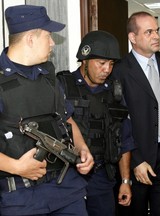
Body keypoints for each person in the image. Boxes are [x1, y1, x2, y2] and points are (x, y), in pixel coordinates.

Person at [0, 4, 94, 216]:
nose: (53, 43)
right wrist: (16, 167)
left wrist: (82, 148)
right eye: (48, 36)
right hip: (21, 200)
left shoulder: (49, 75)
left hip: (67, 191)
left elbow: (66, 119)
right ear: (30, 39)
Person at [112, 11, 160, 216]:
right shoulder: (119, 70)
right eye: (149, 32)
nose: (156, 36)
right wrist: (135, 160)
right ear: (133, 37)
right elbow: (118, 123)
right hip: (138, 155)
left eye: (157, 31)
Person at [56, 30, 134, 216]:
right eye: (101, 63)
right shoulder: (62, 86)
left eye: (111, 64)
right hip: (66, 177)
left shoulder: (114, 92)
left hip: (101, 179)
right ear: (85, 60)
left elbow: (123, 139)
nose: (107, 69)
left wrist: (125, 181)